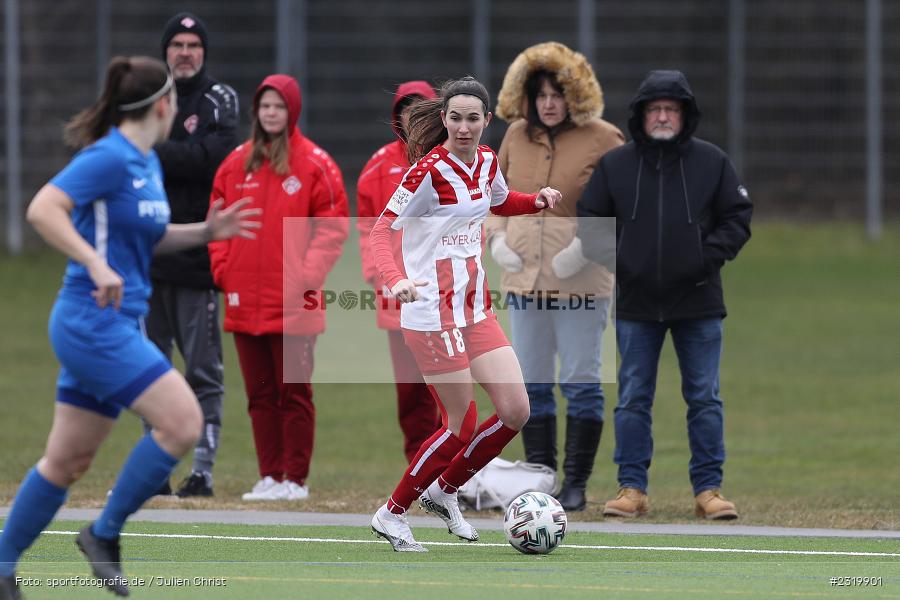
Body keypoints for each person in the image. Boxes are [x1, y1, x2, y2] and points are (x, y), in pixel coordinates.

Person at [0, 56, 259, 600]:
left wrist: (208, 230)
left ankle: (2, 565)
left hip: (115, 322)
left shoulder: (144, 163)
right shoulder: (111, 157)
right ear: (164, 106)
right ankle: (103, 534)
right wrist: (95, 265)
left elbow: (149, 234)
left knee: (67, 461)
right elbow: (43, 208)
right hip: (92, 321)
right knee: (183, 422)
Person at [368, 76, 562, 552]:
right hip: (432, 314)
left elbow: (499, 200)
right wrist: (396, 281)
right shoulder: (426, 173)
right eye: (454, 117)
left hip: (475, 309)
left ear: (486, 121)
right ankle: (391, 514)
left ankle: (445, 489)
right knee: (462, 422)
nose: (463, 126)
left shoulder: (488, 162)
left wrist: (534, 200)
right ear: (444, 120)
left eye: (472, 118)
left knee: (516, 410)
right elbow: (380, 232)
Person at [576, 70, 752, 520]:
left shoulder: (712, 162)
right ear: (640, 115)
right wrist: (624, 262)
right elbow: (590, 219)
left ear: (685, 114)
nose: (662, 116)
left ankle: (709, 491)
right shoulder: (616, 165)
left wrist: (702, 259)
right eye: (654, 109)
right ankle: (631, 489)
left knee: (705, 397)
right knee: (633, 395)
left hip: (699, 302)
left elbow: (737, 219)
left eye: (671, 109)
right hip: (636, 304)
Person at [486, 41, 624, 511]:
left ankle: (576, 483)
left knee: (582, 380)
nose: (548, 102)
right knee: (533, 383)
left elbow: (622, 204)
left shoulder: (605, 137)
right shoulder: (514, 135)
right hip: (524, 282)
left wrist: (586, 247)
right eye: (540, 93)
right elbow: (491, 195)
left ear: (574, 95)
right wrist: (497, 240)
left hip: (582, 283)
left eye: (557, 93)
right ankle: (540, 479)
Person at [208, 74, 349, 502]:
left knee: (294, 393)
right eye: (265, 107)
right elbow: (215, 223)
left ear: (292, 112)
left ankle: (295, 480)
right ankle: (269, 475)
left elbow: (333, 227)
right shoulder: (236, 164)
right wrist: (224, 270)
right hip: (245, 301)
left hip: (294, 304)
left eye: (278, 107)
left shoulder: (315, 164)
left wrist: (305, 276)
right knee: (260, 395)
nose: (271, 114)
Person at [142, 11, 240, 498]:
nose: (184, 52)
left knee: (202, 370)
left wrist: (157, 151)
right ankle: (154, 467)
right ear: (166, 51)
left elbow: (213, 159)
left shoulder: (218, 98)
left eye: (192, 45)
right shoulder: (149, 97)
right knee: (150, 368)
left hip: (198, 259)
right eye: (176, 44)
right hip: (148, 257)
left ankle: (201, 469)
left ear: (203, 52)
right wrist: (181, 153)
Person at [356, 81, 442, 464]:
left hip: (445, 295)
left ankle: (447, 469)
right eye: (405, 108)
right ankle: (416, 469)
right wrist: (380, 277)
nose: (411, 115)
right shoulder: (377, 166)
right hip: (400, 296)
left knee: (444, 388)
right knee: (410, 392)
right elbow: (365, 228)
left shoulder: (449, 160)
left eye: (419, 107)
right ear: (397, 117)